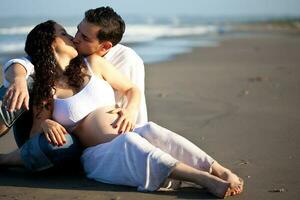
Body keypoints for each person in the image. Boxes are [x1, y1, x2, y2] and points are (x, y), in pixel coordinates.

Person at [1, 20, 243, 198]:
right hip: (97, 153)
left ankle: (219, 170)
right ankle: (204, 180)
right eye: (63, 33)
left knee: (153, 131)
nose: (72, 37)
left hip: (129, 130)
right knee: (131, 144)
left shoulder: (93, 63)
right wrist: (46, 123)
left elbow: (131, 90)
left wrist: (129, 111)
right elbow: (33, 138)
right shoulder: (47, 89)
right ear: (51, 43)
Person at [0, 7, 147, 171]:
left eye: (84, 37)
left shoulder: (124, 60)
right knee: (21, 82)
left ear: (104, 46)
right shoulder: (57, 65)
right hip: (48, 134)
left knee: (60, 145)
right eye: (75, 31)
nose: (75, 38)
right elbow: (22, 62)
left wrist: (134, 123)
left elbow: (133, 97)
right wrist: (19, 79)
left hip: (99, 138)